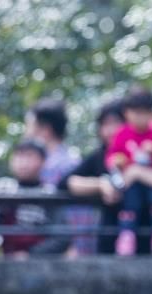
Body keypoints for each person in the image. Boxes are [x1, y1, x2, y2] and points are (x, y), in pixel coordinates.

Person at [58, 98, 152, 255]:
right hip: (110, 241)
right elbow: (65, 182)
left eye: (115, 123)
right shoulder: (100, 156)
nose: (110, 130)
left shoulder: (151, 152)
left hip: (147, 243)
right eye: (105, 124)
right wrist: (102, 184)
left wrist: (137, 172)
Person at [105, 86, 152, 255]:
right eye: (136, 113)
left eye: (144, 113)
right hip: (132, 185)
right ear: (127, 113)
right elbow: (111, 158)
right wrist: (117, 162)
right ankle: (126, 236)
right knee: (129, 204)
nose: (140, 118)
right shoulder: (121, 135)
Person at [25, 97, 98, 256]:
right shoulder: (68, 160)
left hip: (66, 251)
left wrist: (75, 246)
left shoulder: (60, 165)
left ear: (45, 129)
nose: (27, 132)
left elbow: (77, 213)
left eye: (29, 126)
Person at [0, 139, 70, 258]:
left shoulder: (49, 193)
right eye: (19, 156)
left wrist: (30, 254)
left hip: (40, 263)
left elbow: (62, 237)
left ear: (43, 162)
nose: (23, 162)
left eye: (29, 156)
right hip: (7, 260)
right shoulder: (3, 189)